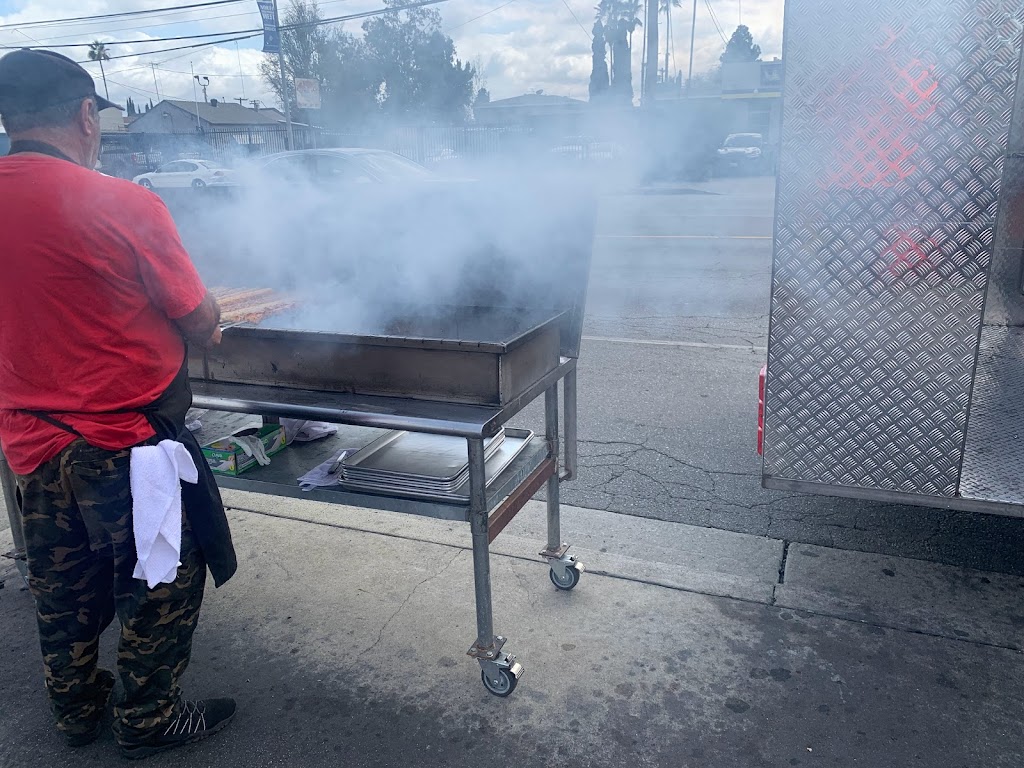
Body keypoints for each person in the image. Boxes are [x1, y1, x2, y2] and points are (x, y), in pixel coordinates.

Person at [0, 48, 238, 759]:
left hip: (29, 445)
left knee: (61, 587)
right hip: (124, 446)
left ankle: (77, 712)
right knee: (162, 581)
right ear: (83, 116)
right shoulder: (124, 202)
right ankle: (147, 719)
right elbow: (197, 318)